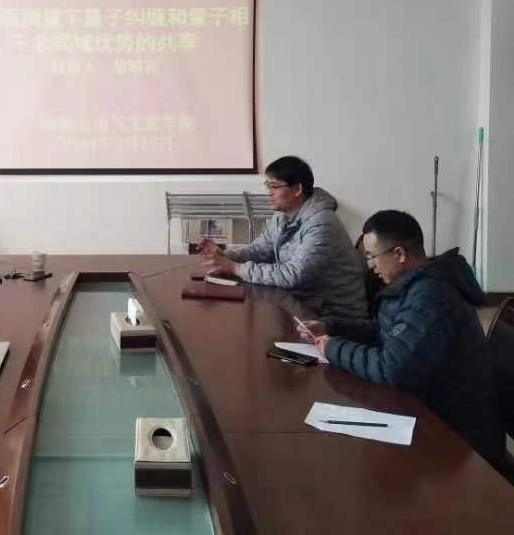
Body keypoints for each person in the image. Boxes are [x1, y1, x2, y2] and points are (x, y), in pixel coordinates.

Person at [300, 210, 504, 465]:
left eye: (371, 256)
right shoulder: (413, 285)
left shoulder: (431, 296)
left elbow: (392, 368)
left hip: (458, 438)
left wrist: (332, 348)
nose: (371, 266)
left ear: (399, 254)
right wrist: (330, 326)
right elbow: (383, 331)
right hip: (428, 410)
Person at [201, 155, 366, 319]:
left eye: (274, 186)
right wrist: (227, 256)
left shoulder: (321, 223)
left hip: (334, 317)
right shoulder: (282, 216)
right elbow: (260, 249)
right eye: (267, 186)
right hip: (302, 303)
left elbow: (292, 274)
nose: (269, 193)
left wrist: (235, 268)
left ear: (297, 189)